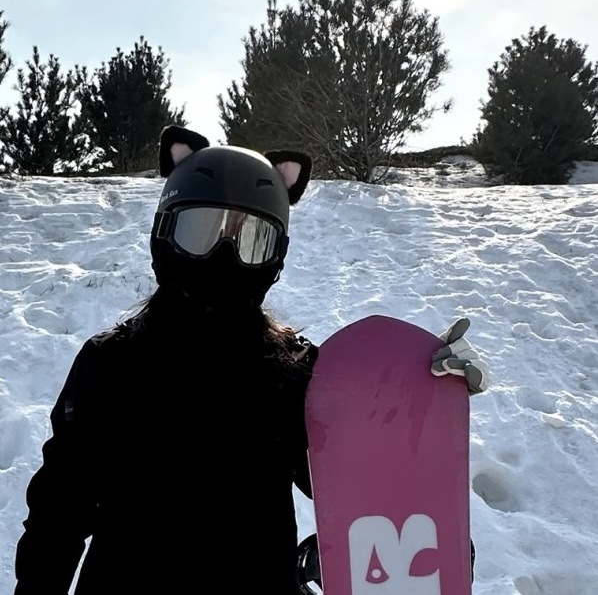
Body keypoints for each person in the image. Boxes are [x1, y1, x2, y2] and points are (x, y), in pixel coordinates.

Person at [13, 125, 489, 595]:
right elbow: (60, 509)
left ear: (275, 256)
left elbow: (371, 493)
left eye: (250, 241)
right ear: (164, 234)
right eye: (202, 231)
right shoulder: (111, 365)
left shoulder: (297, 372)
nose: (224, 254)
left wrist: (416, 399)